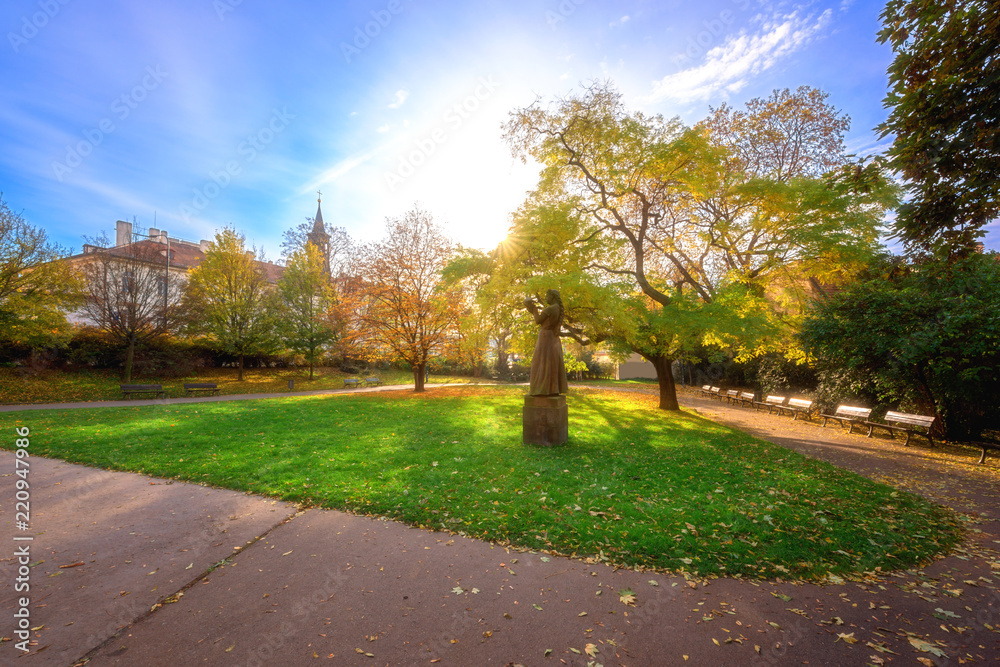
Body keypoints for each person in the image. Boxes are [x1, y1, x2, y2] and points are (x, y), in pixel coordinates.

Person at [524, 289, 568, 396]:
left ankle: (540, 389)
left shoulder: (550, 309)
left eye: (547, 295)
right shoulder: (558, 308)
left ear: (552, 296)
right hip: (552, 338)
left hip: (545, 337)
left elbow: (538, 320)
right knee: (550, 363)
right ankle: (551, 389)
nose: (545, 298)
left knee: (539, 363)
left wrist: (534, 309)